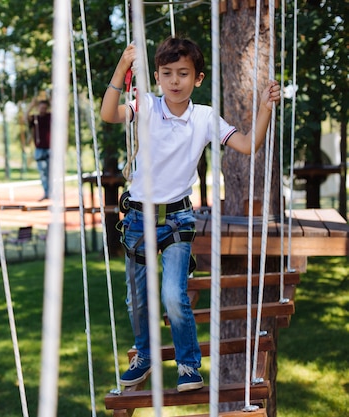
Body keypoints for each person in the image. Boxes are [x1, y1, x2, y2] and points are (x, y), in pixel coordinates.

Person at [100, 37, 280, 392]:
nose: (175, 81)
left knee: (172, 295)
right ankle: (146, 357)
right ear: (156, 77)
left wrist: (265, 109)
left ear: (197, 78)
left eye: (183, 73)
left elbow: (248, 144)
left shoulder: (204, 117)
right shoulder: (146, 106)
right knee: (136, 297)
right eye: (167, 73)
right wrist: (123, 67)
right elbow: (108, 114)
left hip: (178, 219)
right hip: (138, 218)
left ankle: (187, 364)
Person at [27, 98, 52, 201]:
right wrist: (31, 106)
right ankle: (47, 193)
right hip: (40, 149)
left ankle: (51, 193)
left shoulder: (50, 117)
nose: (43, 110)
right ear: (38, 108)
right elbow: (26, 117)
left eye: (45, 108)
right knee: (43, 173)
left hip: (50, 148)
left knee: (52, 172)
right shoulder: (35, 118)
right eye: (41, 107)